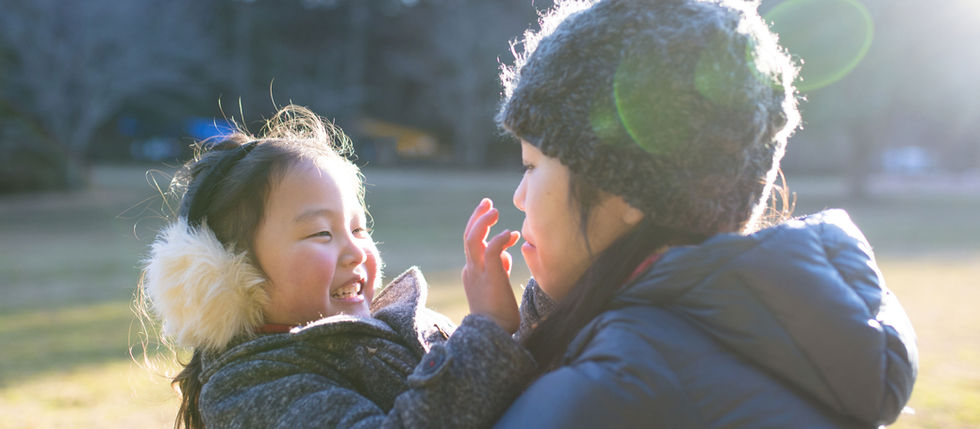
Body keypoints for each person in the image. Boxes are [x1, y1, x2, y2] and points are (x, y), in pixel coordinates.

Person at [462, 0, 918, 427]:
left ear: (627, 189)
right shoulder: (769, 339)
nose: (520, 197)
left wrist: (482, 346)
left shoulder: (617, 387)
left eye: (531, 166)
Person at [138, 105, 535, 429]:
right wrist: (486, 330)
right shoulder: (251, 386)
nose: (356, 251)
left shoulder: (392, 327)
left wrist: (546, 295)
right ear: (226, 274)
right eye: (321, 234)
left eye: (359, 228)